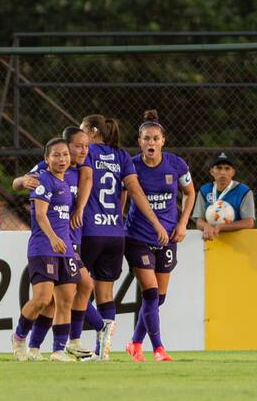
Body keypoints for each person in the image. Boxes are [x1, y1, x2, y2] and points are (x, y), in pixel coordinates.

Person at [71, 114, 165, 360]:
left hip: (89, 229)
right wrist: (155, 222)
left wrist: (79, 208)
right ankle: (103, 351)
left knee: (71, 288)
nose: (80, 139)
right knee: (105, 293)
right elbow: (134, 191)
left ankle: (80, 339)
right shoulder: (121, 155)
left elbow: (87, 181)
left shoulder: (87, 153)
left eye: (82, 132)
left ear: (91, 131)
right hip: (115, 232)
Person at [12, 127, 98, 361]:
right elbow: (39, 214)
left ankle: (58, 350)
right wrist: (53, 238)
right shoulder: (42, 178)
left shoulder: (75, 173)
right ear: (46, 159)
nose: (62, 159)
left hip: (66, 247)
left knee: (65, 299)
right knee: (42, 298)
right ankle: (19, 337)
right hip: (44, 246)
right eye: (56, 155)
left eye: (64, 155)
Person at [123, 110, 194, 362]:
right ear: (139, 141)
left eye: (155, 138)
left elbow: (190, 192)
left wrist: (183, 222)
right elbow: (123, 195)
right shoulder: (130, 165)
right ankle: (159, 349)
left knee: (158, 298)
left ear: (163, 140)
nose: (151, 143)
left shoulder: (177, 164)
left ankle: (134, 342)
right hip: (138, 237)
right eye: (146, 138)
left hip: (167, 238)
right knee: (151, 293)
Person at [192, 152, 255, 241]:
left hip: (238, 241)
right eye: (219, 168)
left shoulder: (244, 191)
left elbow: (249, 223)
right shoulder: (204, 190)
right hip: (211, 240)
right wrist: (206, 226)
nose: (223, 172)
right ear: (212, 171)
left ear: (233, 172)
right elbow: (199, 221)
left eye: (227, 168)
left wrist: (222, 226)